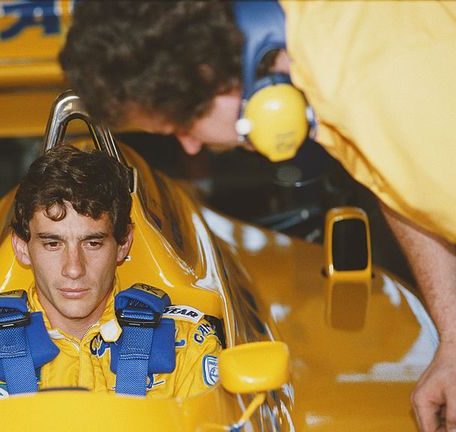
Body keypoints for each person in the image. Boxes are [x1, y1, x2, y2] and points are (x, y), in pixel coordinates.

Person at [58, 2, 456, 431]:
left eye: (181, 128)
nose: (191, 148)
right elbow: (396, 183)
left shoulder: (379, 84)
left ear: (208, 76)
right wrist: (451, 343)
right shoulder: (314, 40)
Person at [0, 145, 223, 432]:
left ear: (123, 244)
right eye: (52, 243)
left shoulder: (187, 345)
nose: (73, 269)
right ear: (20, 247)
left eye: (93, 243)